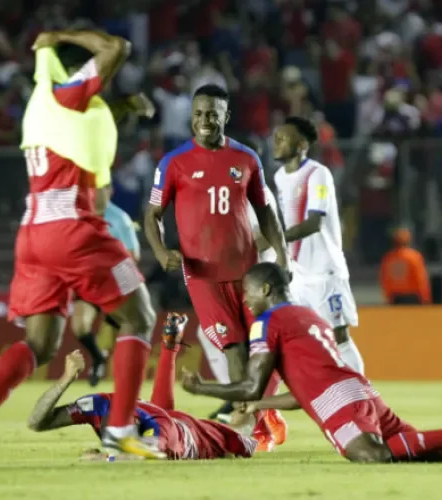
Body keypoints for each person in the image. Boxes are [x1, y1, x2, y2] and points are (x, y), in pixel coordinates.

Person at [0, 29, 165, 474]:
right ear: (76, 69)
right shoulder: (67, 92)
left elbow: (82, 125)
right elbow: (117, 48)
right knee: (140, 316)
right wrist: (59, 36)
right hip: (74, 229)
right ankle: (121, 431)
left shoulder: (42, 106)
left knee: (40, 343)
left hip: (33, 234)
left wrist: (126, 108)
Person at [181, 262, 442, 463]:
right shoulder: (309, 316)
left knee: (369, 455)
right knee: (418, 452)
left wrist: (201, 388)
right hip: (358, 389)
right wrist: (261, 405)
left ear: (264, 290)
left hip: (337, 400)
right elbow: (299, 395)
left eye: (247, 292)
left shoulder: (267, 322)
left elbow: (250, 384)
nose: (245, 301)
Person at [143, 84, 290, 451]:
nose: (204, 120)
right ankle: (248, 431)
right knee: (235, 350)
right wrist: (161, 252)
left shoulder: (246, 158)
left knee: (268, 349)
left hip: (248, 274)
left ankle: (258, 415)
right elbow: (153, 215)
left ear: (226, 116)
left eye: (212, 114)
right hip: (203, 278)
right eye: (198, 114)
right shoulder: (173, 162)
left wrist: (283, 257)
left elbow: (266, 213)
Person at [27, 314, 260, 460]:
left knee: (245, 429)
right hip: (166, 417)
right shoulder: (99, 405)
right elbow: (36, 422)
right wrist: (65, 379)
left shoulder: (160, 432)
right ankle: (170, 347)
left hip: (203, 435)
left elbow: (146, 456)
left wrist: (104, 459)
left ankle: (264, 411)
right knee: (161, 411)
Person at [196, 137, 282, 423]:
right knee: (212, 335)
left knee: (259, 342)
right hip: (237, 279)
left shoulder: (259, 194)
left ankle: (257, 407)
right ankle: (238, 396)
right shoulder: (226, 194)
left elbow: (265, 234)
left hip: (259, 279)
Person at [272, 116, 366, 375]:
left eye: (284, 136)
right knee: (295, 337)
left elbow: (313, 222)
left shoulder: (318, 173)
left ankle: (363, 396)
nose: (276, 140)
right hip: (297, 272)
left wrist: (274, 239)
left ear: (302, 144)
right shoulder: (279, 177)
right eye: (276, 136)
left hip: (325, 270)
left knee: (339, 335)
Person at [70, 183, 143, 387]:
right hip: (90, 281)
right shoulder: (80, 216)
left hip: (116, 281)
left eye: (100, 188)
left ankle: (114, 367)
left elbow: (133, 255)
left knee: (120, 322)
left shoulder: (119, 218)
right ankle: (99, 357)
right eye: (92, 188)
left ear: (110, 191)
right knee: (79, 327)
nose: (95, 192)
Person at [379, 228, 432, 305]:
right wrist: (425, 297)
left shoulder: (388, 258)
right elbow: (421, 278)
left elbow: (384, 279)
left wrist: (388, 296)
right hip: (412, 297)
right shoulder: (414, 256)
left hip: (395, 297)